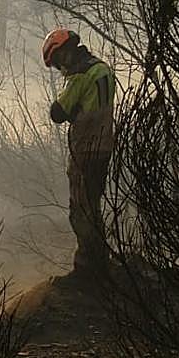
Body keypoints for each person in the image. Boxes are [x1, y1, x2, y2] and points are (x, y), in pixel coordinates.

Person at [43, 28, 116, 279]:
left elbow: (58, 112)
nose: (58, 68)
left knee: (81, 209)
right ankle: (101, 264)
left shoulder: (80, 74)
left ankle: (87, 269)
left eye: (56, 62)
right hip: (105, 146)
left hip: (86, 148)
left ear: (63, 52)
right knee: (93, 206)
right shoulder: (102, 67)